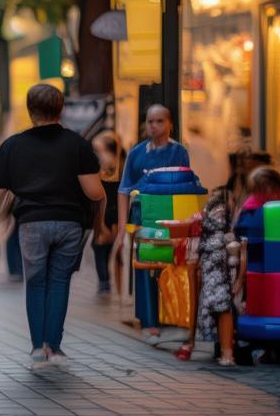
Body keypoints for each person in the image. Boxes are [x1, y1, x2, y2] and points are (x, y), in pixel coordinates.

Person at [0, 85, 107, 367]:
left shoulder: (12, 146)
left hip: (31, 223)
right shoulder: (77, 144)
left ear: (29, 109)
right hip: (69, 222)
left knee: (36, 283)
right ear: (61, 109)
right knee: (59, 282)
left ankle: (38, 347)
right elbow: (93, 192)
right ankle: (55, 346)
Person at [113, 105, 190, 342]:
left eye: (159, 121)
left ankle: (172, 317)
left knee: (171, 266)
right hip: (143, 219)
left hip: (171, 218)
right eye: (150, 121)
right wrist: (122, 227)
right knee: (146, 268)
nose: (154, 126)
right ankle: (150, 321)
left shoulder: (179, 151)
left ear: (170, 124)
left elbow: (186, 186)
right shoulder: (136, 153)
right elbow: (124, 189)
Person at [194, 188, 242, 367]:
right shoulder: (223, 229)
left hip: (214, 266)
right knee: (222, 308)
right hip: (217, 266)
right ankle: (226, 352)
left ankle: (226, 352)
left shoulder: (213, 228)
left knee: (221, 308)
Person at [91, 131, 123, 295]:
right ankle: (106, 281)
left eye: (99, 150)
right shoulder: (120, 166)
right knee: (105, 248)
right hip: (113, 213)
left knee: (101, 248)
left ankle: (105, 282)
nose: (97, 154)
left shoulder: (104, 168)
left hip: (107, 213)